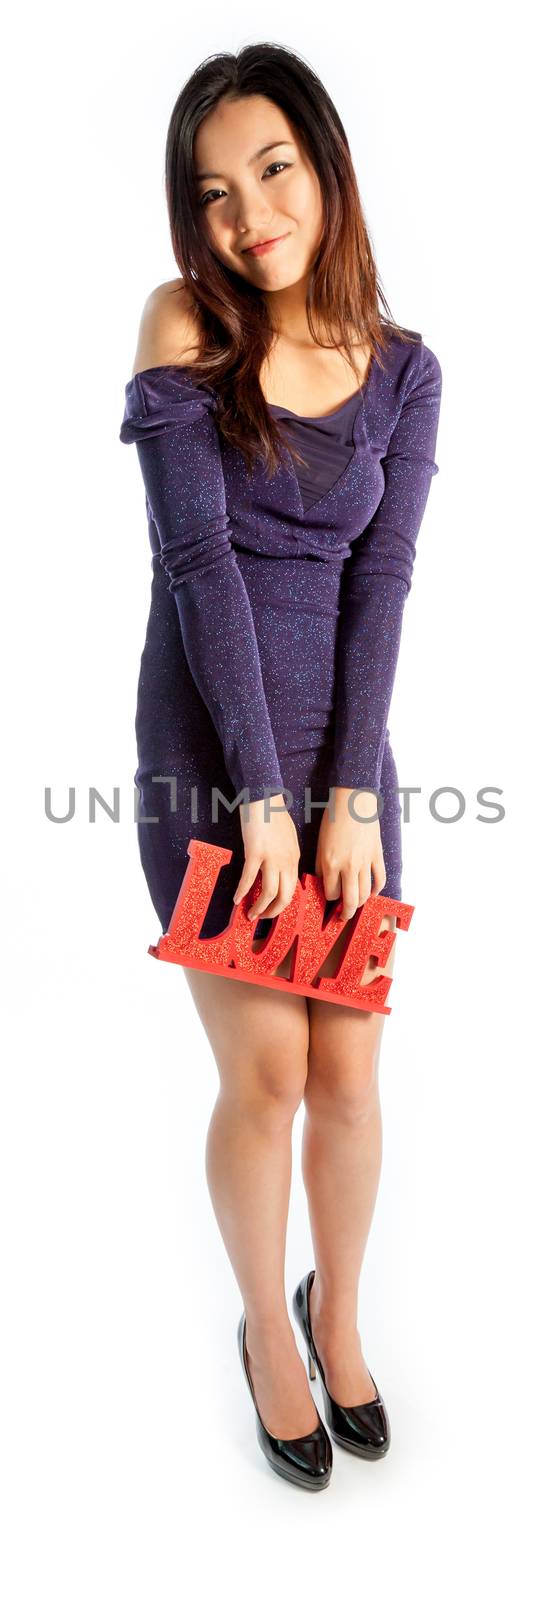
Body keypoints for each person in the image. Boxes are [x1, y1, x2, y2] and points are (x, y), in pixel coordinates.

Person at [119, 41, 442, 1491]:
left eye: (273, 170)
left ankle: (341, 1314)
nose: (249, 215)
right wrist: (258, 791)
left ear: (322, 166)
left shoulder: (408, 370)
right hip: (208, 742)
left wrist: (345, 795)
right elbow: (198, 563)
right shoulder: (185, 324)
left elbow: (385, 586)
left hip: (344, 757)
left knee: (353, 1076)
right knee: (266, 1072)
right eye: (215, 191)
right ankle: (264, 1326)